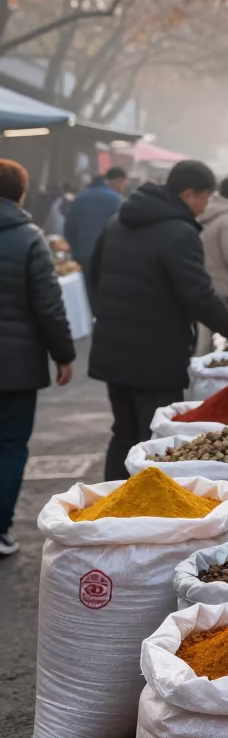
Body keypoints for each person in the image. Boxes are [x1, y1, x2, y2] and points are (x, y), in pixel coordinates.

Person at [89, 160, 228, 481]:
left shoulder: (117, 221)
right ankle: (152, 518)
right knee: (159, 440)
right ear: (188, 194)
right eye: (204, 198)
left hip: (112, 346)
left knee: (123, 434)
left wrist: (111, 317)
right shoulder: (178, 231)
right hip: (155, 354)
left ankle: (115, 508)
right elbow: (198, 294)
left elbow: (93, 276)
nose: (205, 207)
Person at [0, 159, 75, 556]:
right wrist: (63, 354)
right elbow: (49, 305)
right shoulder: (30, 238)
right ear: (22, 193)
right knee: (10, 445)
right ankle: (0, 529)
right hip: (16, 368)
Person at [64, 166, 128, 289]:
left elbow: (69, 228)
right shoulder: (117, 201)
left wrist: (74, 250)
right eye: (123, 184)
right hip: (107, 258)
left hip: (82, 256)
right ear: (118, 181)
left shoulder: (80, 198)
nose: (123, 189)